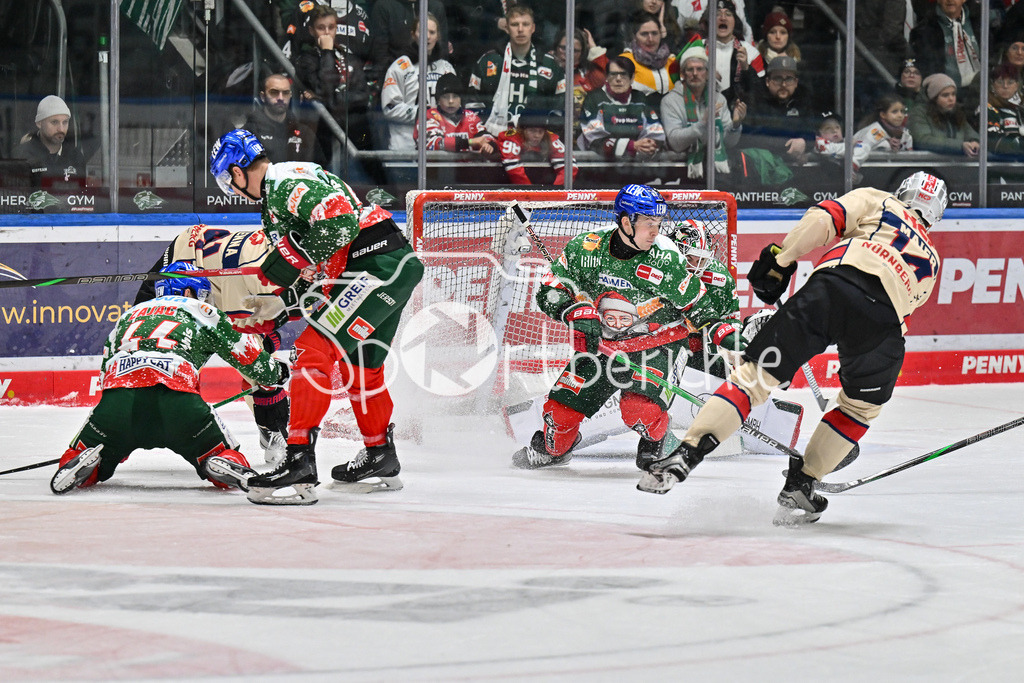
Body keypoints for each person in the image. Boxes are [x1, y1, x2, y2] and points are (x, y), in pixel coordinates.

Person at [637, 172, 946, 526]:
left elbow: (823, 220)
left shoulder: (880, 199)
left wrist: (782, 260)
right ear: (936, 214)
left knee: (754, 378)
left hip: (834, 286)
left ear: (903, 192)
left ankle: (686, 454)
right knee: (859, 408)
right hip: (884, 324)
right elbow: (902, 314)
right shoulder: (932, 259)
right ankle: (804, 481)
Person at [209, 129, 423, 505]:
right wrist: (280, 306)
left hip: (374, 267)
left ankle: (299, 459)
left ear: (238, 171)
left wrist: (289, 260)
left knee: (312, 351)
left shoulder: (283, 184)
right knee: (362, 366)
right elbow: (318, 269)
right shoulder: (281, 192)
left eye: (228, 181)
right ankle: (380, 453)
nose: (232, 190)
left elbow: (340, 226)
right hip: (388, 265)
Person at [50, 262, 289, 496]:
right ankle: (220, 460)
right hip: (179, 404)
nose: (205, 299)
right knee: (221, 452)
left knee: (92, 447)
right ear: (188, 292)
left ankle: (82, 460)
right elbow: (249, 356)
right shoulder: (202, 312)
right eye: (203, 293)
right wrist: (276, 372)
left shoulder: (128, 315)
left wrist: (119, 433)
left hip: (118, 403)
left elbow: (105, 373)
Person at [511, 184, 704, 471]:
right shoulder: (585, 248)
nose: (656, 231)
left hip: (654, 344)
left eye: (659, 223)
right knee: (559, 417)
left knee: (640, 411)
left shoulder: (667, 257)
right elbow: (549, 291)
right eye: (648, 223)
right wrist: (574, 311)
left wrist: (709, 342)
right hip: (602, 346)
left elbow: (698, 306)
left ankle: (658, 437)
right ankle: (555, 450)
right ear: (626, 222)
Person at [468, 4, 566, 136]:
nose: (520, 29)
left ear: (533, 28)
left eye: (525, 24)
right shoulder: (489, 61)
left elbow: (560, 109)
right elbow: (472, 104)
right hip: (494, 139)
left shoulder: (550, 64)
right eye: (515, 25)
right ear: (506, 28)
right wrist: (484, 135)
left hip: (536, 140)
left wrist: (543, 136)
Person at [293, 4, 373, 151]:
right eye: (321, 28)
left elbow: (363, 96)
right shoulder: (306, 60)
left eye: (331, 27)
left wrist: (332, 101)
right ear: (311, 31)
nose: (327, 33)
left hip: (356, 132)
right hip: (324, 135)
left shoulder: (348, 57)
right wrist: (327, 52)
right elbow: (325, 89)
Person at [660, 45, 744, 179]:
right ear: (683, 74)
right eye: (690, 69)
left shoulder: (718, 98)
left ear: (708, 73)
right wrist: (702, 123)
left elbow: (728, 143)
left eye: (699, 69)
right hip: (681, 170)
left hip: (716, 171)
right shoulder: (670, 101)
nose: (695, 73)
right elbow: (675, 143)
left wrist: (735, 125)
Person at [381, 13, 456, 150]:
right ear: (413, 34)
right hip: (405, 147)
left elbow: (455, 105)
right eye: (422, 31)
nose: (427, 36)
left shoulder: (446, 68)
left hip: (438, 147)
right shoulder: (400, 66)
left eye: (432, 32)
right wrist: (422, 114)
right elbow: (390, 108)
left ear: (438, 36)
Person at [578, 56, 666, 160]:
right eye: (613, 74)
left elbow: (655, 133)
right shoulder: (594, 99)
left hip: (637, 165)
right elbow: (595, 139)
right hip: (597, 165)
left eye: (623, 74)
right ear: (606, 77)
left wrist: (648, 145)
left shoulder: (640, 99)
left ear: (632, 78)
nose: (618, 79)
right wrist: (631, 146)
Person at [686, 0, 764, 110]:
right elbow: (684, 85)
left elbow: (760, 94)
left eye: (728, 14)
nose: (723, 18)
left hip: (740, 113)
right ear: (709, 21)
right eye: (717, 14)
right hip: (701, 110)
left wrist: (746, 68)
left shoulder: (752, 53)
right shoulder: (696, 49)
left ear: (735, 21)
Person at [740, 55, 814, 167]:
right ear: (767, 81)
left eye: (789, 79)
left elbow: (811, 133)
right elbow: (749, 137)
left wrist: (804, 142)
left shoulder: (802, 100)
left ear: (796, 82)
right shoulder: (756, 100)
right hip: (762, 166)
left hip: (796, 166)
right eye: (778, 79)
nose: (783, 84)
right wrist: (786, 147)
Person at [243, 73, 319, 163]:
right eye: (274, 92)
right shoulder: (249, 133)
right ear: (263, 96)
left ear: (290, 96)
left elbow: (319, 168)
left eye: (285, 93)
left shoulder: (305, 133)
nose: (280, 98)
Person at [551, 28, 608, 140]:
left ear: (582, 53)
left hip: (582, 135)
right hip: (553, 133)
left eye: (574, 50)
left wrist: (594, 49)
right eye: (563, 48)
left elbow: (610, 76)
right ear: (556, 47)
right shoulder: (547, 68)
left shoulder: (588, 74)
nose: (567, 53)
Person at [16, 95, 86, 186]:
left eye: (65, 122)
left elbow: (82, 192)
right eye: (54, 122)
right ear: (39, 123)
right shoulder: (22, 155)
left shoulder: (75, 156)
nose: (61, 129)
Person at [908, 73, 980, 158]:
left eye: (953, 94)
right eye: (945, 95)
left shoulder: (956, 112)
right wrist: (960, 145)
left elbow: (970, 133)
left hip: (956, 162)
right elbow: (922, 140)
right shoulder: (919, 113)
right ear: (934, 98)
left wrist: (975, 142)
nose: (951, 99)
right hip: (929, 161)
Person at [418, 73, 495, 152]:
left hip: (467, 160)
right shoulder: (428, 116)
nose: (451, 101)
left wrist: (488, 145)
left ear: (461, 99)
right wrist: (470, 142)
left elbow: (487, 137)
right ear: (438, 100)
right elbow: (433, 142)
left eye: (455, 96)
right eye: (445, 97)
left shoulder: (470, 116)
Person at [495, 112, 577, 185]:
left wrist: (555, 193)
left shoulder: (550, 138)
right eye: (532, 131)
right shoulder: (512, 138)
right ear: (522, 130)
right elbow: (514, 171)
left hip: (543, 186)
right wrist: (529, 194)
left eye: (540, 131)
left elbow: (570, 167)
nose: (537, 135)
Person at [850, 96, 914, 175]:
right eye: (894, 112)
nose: (900, 115)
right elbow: (860, 151)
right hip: (865, 172)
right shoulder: (873, 132)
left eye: (902, 111)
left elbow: (910, 160)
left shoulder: (906, 135)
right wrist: (885, 145)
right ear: (883, 115)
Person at [619, 12, 679, 97]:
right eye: (644, 34)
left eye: (654, 33)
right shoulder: (624, 63)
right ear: (634, 36)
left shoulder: (673, 62)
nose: (650, 39)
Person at [986, 63, 1024, 158]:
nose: (1005, 86)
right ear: (993, 85)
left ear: (1017, 85)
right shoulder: (987, 108)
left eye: (1010, 82)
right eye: (1000, 82)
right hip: (1000, 163)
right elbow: (993, 142)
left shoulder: (1020, 108)